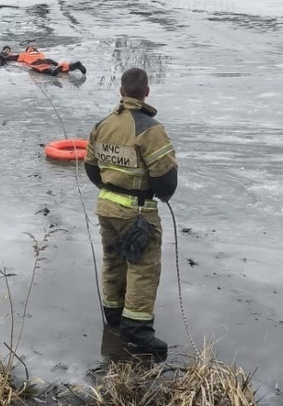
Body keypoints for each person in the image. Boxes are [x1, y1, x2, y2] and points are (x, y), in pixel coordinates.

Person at [84, 67, 178, 360]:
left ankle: (113, 315)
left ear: (121, 91)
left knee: (113, 261)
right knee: (142, 267)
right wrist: (158, 194)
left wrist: (111, 187)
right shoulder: (150, 129)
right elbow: (165, 180)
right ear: (146, 92)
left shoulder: (103, 125)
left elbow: (90, 166)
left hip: (106, 206)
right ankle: (137, 331)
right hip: (137, 213)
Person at [0, 45, 86, 76]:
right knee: (62, 66)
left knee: (41, 68)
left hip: (37, 63)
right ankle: (74, 65)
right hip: (47, 60)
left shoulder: (24, 54)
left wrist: (2, 56)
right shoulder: (39, 52)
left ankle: (52, 69)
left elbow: (11, 58)